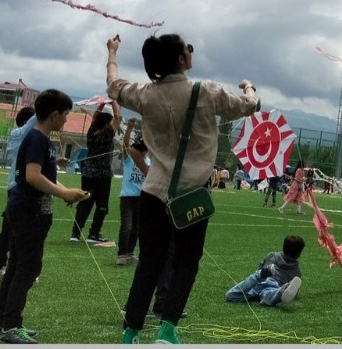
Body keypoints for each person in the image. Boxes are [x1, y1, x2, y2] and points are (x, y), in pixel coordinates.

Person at [106, 33, 260, 345]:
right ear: (180, 59)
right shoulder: (206, 92)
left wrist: (111, 53)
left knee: (149, 263)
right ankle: (167, 330)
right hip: (192, 195)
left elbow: (114, 85)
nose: (191, 50)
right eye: (187, 48)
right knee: (186, 263)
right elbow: (249, 106)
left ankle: (131, 332)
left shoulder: (145, 94)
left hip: (152, 193)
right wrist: (248, 87)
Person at [0, 89, 89, 344]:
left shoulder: (41, 140)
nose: (67, 120)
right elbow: (32, 176)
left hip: (29, 209)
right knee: (28, 267)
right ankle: (11, 325)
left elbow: (39, 175)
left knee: (17, 266)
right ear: (54, 115)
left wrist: (60, 190)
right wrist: (64, 192)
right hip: (28, 210)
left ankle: (3, 323)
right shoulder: (37, 139)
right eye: (66, 115)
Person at [0, 106, 40, 283]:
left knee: (9, 229)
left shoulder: (19, 135)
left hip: (14, 186)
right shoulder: (24, 132)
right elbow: (40, 113)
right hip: (22, 187)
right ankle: (12, 268)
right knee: (21, 230)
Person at [71, 99, 121, 245]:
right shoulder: (107, 133)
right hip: (103, 175)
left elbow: (95, 117)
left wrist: (101, 103)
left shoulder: (91, 131)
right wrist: (113, 102)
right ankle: (93, 234)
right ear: (107, 122)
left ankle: (75, 233)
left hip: (87, 173)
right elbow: (118, 118)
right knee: (102, 205)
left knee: (85, 202)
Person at [225, 234, 304, 307]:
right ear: (299, 253)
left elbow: (261, 267)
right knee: (268, 297)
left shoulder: (273, 256)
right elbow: (295, 293)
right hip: (274, 287)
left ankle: (258, 276)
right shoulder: (296, 271)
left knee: (231, 295)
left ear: (284, 247)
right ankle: (283, 290)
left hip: (259, 282)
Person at [117, 118, 148, 266]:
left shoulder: (148, 163)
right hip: (127, 197)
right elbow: (125, 145)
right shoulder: (130, 158)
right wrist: (129, 128)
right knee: (127, 226)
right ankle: (121, 254)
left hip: (141, 198)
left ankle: (129, 252)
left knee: (136, 228)